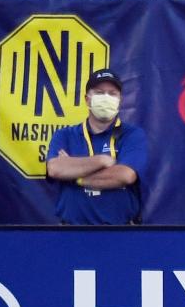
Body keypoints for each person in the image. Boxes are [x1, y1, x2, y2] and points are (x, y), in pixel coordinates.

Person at [45, 69, 147, 226]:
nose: (106, 98)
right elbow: (55, 169)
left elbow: (125, 175)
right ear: (87, 100)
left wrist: (75, 175)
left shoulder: (132, 135)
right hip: (70, 232)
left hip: (122, 233)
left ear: (120, 100)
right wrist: (102, 160)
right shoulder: (64, 135)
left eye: (112, 93)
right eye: (99, 92)